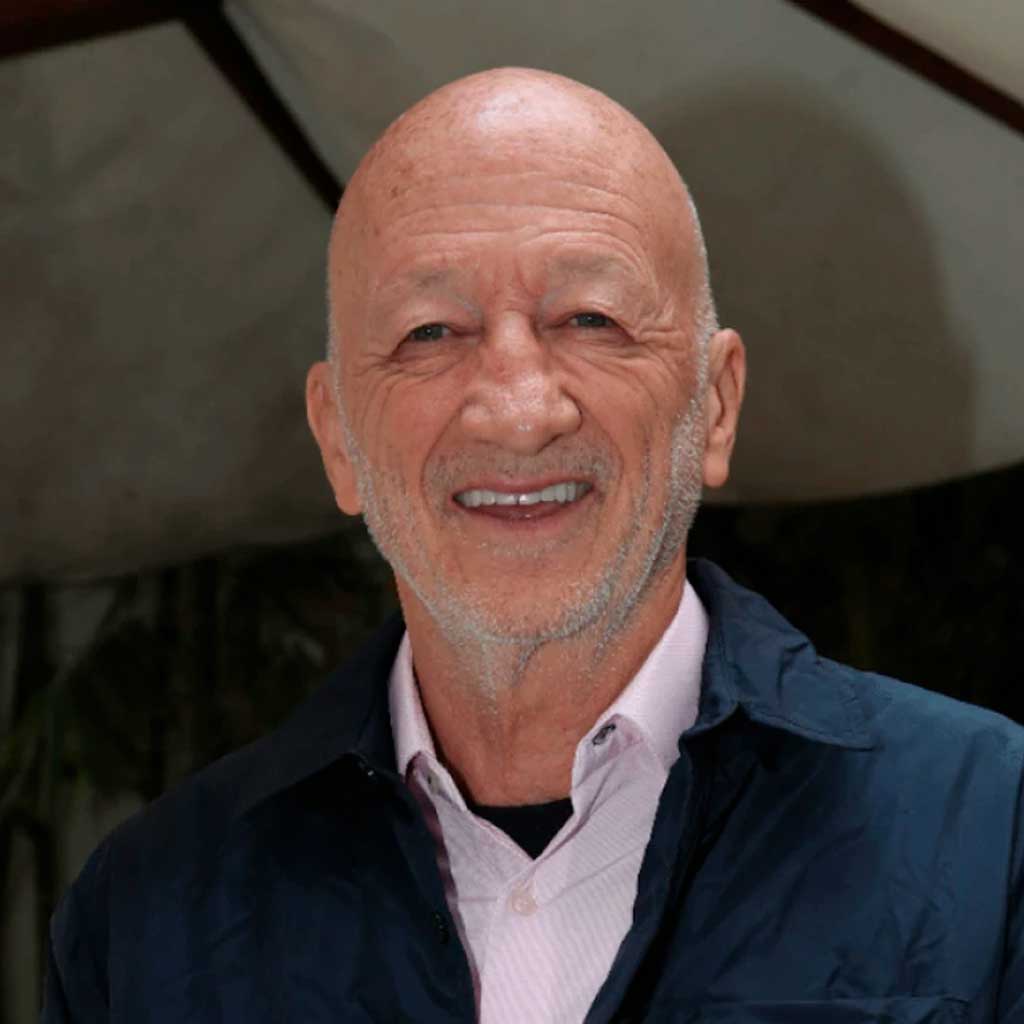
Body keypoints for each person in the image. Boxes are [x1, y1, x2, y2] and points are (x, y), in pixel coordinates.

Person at [44, 68, 1024, 1023]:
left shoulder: (989, 833)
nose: (519, 410)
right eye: (430, 332)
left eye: (590, 320)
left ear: (715, 405)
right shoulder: (146, 923)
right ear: (338, 438)